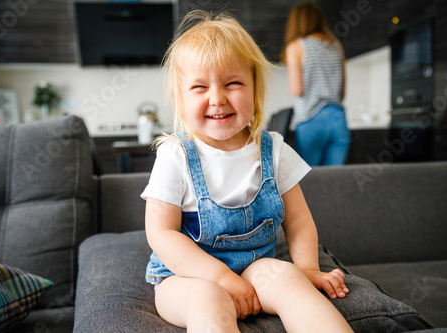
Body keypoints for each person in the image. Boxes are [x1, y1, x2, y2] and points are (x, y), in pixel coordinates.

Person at [141, 10, 353, 333]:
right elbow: (161, 234)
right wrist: (221, 278)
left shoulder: (273, 149)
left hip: (256, 268)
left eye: (233, 83)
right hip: (186, 277)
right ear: (180, 100)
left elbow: (298, 220)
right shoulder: (175, 155)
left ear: (255, 90)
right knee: (208, 302)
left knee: (290, 280)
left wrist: (307, 268)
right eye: (199, 87)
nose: (217, 98)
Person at [283, 2, 350, 166]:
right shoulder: (336, 45)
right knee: (334, 181)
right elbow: (341, 92)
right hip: (338, 119)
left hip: (311, 119)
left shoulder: (296, 47)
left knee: (310, 182)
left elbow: (297, 90)